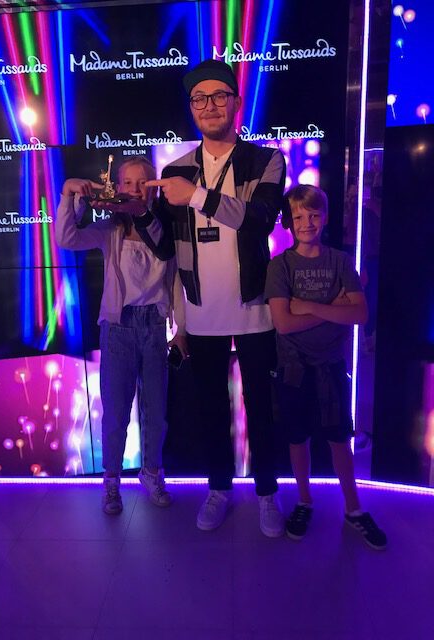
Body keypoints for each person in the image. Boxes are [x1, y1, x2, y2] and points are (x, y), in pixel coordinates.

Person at [140, 59, 286, 536]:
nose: (209, 106)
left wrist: (197, 196)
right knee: (210, 408)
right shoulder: (175, 170)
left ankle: (267, 493)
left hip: (256, 308)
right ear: (191, 108)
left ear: (236, 103)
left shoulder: (265, 160)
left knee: (261, 408)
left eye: (219, 96)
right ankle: (219, 488)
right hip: (201, 312)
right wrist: (141, 214)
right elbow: (166, 247)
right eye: (199, 98)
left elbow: (260, 219)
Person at [55, 158, 186, 515]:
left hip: (154, 326)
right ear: (117, 186)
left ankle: (152, 472)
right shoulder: (110, 228)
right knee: (115, 413)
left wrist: (182, 328)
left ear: (153, 187)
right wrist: (69, 193)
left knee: (156, 411)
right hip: (117, 327)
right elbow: (66, 238)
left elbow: (175, 281)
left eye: (142, 183)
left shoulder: (164, 230)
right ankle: (111, 480)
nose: (134, 189)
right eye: (127, 182)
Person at [265, 184, 387, 550]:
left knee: (339, 439)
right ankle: (304, 501)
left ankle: (353, 508)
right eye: (299, 216)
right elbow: (283, 323)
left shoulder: (340, 261)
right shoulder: (280, 265)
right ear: (288, 222)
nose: (307, 223)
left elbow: (360, 314)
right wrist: (335, 307)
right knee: (297, 438)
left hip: (332, 368)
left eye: (314, 215)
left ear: (326, 218)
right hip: (293, 369)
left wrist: (307, 306)